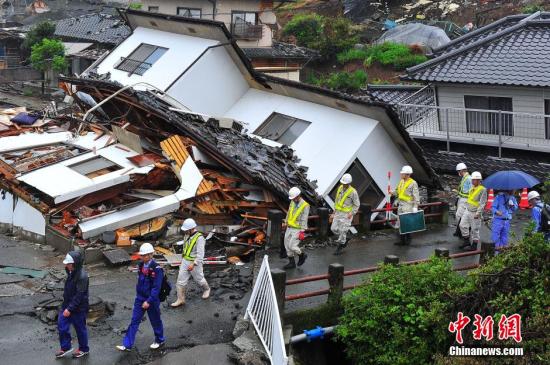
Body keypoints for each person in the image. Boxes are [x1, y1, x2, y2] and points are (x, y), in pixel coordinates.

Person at [117, 243, 165, 351]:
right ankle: (127, 345)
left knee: (155, 320)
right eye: (142, 255)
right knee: (134, 320)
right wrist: (140, 297)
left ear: (150, 255)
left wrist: (149, 301)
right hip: (140, 298)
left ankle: (160, 340)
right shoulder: (141, 265)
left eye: (144, 255)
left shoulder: (157, 269)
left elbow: (156, 288)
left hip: (152, 300)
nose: (142, 257)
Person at [55, 251, 89, 359]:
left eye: (68, 264)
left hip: (78, 307)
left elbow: (80, 295)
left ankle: (84, 349)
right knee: (62, 325)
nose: (66, 265)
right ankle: (66, 347)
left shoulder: (82, 276)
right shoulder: (70, 270)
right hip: (67, 303)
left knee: (80, 329)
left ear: (75, 263)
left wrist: (69, 309)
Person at [171, 218, 210, 307]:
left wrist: (194, 263)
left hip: (195, 262)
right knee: (180, 281)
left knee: (199, 279)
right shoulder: (187, 235)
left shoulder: (200, 238)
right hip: (185, 261)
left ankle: (207, 289)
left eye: (186, 230)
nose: (185, 231)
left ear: (191, 229)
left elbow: (200, 254)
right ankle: (180, 299)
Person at [390, 165, 420, 245]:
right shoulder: (401, 181)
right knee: (402, 222)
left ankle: (403, 241)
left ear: (407, 174)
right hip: (401, 204)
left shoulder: (413, 183)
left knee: (404, 222)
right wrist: (391, 192)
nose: (401, 174)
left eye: (402, 173)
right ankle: (407, 238)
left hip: (408, 205)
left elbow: (416, 196)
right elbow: (397, 191)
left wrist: (415, 206)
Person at [332, 173, 360, 256]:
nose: (343, 184)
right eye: (343, 183)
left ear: (348, 183)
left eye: (345, 183)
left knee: (342, 230)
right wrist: (334, 212)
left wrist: (352, 213)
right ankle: (344, 238)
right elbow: (337, 200)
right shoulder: (340, 188)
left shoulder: (353, 192)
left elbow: (357, 204)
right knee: (333, 228)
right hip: (338, 212)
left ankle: (340, 246)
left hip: (346, 214)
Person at [459, 172, 487, 251]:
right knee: (462, 225)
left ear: (478, 180)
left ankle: (474, 245)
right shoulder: (472, 188)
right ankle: (466, 241)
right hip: (467, 210)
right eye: (472, 179)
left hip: (475, 212)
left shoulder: (483, 190)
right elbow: (470, 199)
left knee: (475, 229)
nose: (472, 181)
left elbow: (482, 203)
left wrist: (478, 213)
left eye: (474, 180)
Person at [283, 187, 309, 269]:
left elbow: (304, 219)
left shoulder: (305, 205)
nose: (293, 200)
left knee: (292, 246)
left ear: (298, 196)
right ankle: (291, 263)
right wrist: (286, 222)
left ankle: (302, 255)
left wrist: (302, 231)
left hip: (297, 229)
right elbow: (289, 212)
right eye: (292, 198)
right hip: (289, 227)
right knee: (286, 245)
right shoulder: (292, 202)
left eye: (294, 198)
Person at [453, 163, 472, 238]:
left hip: (465, 201)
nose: (458, 173)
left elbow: (471, 191)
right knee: (460, 216)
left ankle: (465, 231)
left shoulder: (468, 179)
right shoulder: (464, 178)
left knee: (459, 216)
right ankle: (461, 231)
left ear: (461, 171)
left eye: (458, 171)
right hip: (461, 199)